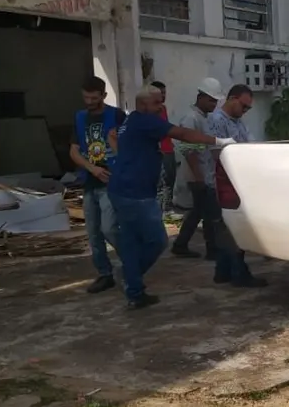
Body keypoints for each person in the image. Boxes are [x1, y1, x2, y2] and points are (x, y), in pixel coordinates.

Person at [108, 86, 236, 309]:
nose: (162, 107)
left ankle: (134, 291)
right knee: (157, 241)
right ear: (144, 105)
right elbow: (183, 135)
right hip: (135, 193)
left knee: (131, 241)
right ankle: (130, 276)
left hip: (123, 189)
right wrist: (219, 141)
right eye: (158, 103)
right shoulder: (147, 121)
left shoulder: (133, 121)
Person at [69, 76, 126, 294]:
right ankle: (105, 274)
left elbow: (128, 147)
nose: (89, 101)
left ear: (103, 95)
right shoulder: (80, 117)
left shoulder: (117, 116)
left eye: (94, 98)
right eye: (86, 97)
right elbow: (74, 151)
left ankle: (131, 262)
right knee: (93, 232)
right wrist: (91, 168)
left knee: (109, 228)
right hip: (90, 181)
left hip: (111, 182)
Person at [208, 84, 266, 288]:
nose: (245, 111)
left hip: (236, 180)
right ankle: (239, 272)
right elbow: (218, 153)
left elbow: (250, 144)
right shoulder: (216, 121)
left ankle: (223, 271)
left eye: (248, 108)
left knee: (228, 227)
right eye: (243, 106)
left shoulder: (238, 123)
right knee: (232, 227)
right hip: (221, 180)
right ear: (231, 99)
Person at [171, 78, 222, 259]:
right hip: (196, 174)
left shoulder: (203, 118)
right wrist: (199, 176)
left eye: (216, 101)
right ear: (200, 97)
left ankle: (181, 244)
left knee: (198, 211)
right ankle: (212, 249)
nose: (214, 104)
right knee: (210, 213)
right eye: (211, 100)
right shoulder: (191, 118)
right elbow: (187, 149)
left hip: (203, 172)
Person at [152, 81, 177, 214]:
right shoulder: (151, 111)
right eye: (160, 93)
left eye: (164, 93)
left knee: (171, 178)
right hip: (161, 151)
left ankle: (168, 206)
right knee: (163, 181)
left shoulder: (163, 108)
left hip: (169, 148)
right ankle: (163, 209)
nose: (163, 96)